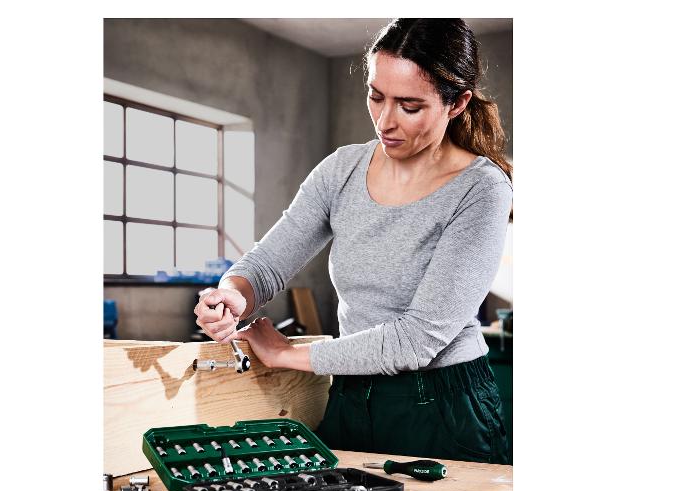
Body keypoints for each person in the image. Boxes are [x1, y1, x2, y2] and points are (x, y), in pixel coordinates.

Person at [194, 18, 512, 464]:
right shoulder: (341, 170)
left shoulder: (482, 189)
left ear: (457, 103)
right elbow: (265, 266)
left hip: (444, 405)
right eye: (376, 96)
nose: (385, 121)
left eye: (410, 106)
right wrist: (230, 299)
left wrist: (288, 355)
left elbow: (418, 339)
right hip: (350, 392)